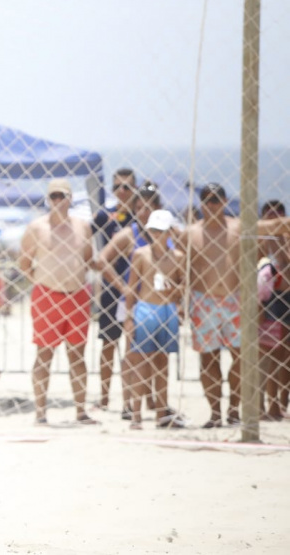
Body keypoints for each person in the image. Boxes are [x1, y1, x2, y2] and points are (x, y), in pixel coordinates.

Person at [173, 184, 290, 427]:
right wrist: (180, 302)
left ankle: (234, 410)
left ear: (225, 201)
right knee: (208, 360)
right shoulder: (190, 233)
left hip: (235, 300)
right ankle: (215, 414)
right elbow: (182, 269)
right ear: (202, 203)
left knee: (240, 358)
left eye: (216, 199)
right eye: (207, 199)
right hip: (202, 300)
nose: (211, 204)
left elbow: (276, 225)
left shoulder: (239, 227)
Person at [18, 178, 97, 425]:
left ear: (71, 198)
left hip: (77, 296)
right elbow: (23, 263)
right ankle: (40, 412)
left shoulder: (83, 226)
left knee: (77, 355)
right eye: (53, 196)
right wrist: (42, 280)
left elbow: (87, 259)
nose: (58, 201)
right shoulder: (37, 227)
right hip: (47, 295)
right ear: (48, 199)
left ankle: (81, 411)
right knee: (44, 354)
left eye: (62, 196)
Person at [98, 183, 163, 419]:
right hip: (134, 302)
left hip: (161, 300)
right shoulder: (129, 234)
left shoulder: (167, 234)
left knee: (158, 355)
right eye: (139, 207)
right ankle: (129, 403)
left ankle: (155, 402)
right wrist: (122, 287)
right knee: (133, 354)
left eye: (148, 206)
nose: (143, 211)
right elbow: (102, 260)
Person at [123, 210, 187, 430]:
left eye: (160, 231)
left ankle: (161, 413)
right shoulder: (141, 254)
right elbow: (132, 287)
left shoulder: (178, 257)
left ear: (168, 232)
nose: (156, 235)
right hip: (145, 309)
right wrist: (128, 316)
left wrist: (176, 290)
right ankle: (136, 415)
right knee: (141, 363)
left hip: (167, 311)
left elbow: (184, 286)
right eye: (153, 231)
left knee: (162, 364)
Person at [91, 168, 137, 411]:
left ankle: (135, 400)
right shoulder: (105, 216)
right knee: (108, 344)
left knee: (136, 348)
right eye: (118, 186)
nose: (123, 191)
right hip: (112, 289)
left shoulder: (143, 218)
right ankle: (104, 397)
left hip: (139, 291)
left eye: (128, 186)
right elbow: (85, 241)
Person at [258, 200, 289, 421]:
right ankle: (265, 405)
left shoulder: (284, 241)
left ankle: (280, 403)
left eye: (276, 216)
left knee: (285, 355)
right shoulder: (259, 241)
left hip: (285, 298)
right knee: (267, 354)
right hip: (268, 301)